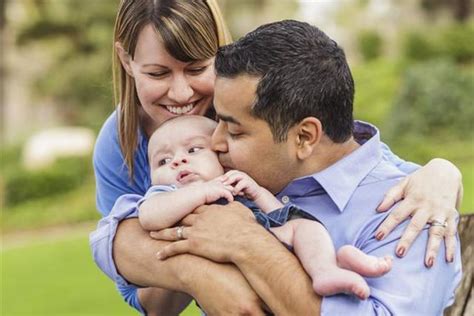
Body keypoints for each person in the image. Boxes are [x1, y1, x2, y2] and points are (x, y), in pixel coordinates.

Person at [90, 0, 463, 314]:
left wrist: (443, 173)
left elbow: (355, 160)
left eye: (231, 129)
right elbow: (111, 239)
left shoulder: (402, 213)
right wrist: (202, 273)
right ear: (127, 62)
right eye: (158, 73)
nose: (214, 145)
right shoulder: (242, 165)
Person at [139, 115, 393, 300]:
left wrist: (257, 192)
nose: (178, 161)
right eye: (163, 160)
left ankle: (328, 267)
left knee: (304, 226)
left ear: (220, 156)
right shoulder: (167, 194)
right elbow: (149, 216)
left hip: (271, 240)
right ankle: (339, 265)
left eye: (193, 150)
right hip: (240, 264)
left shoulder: (232, 180)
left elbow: (278, 214)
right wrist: (200, 192)